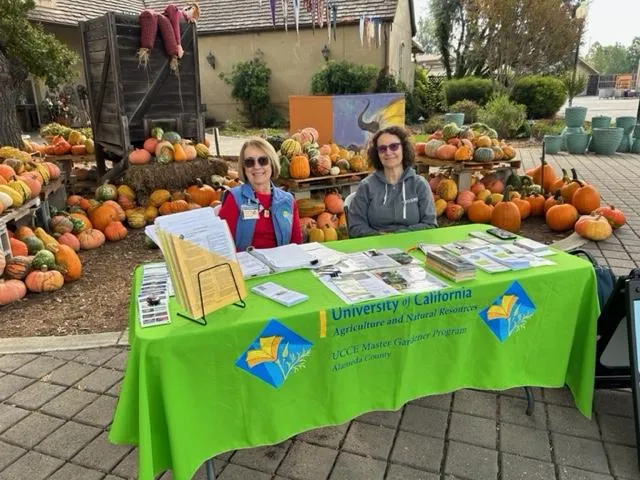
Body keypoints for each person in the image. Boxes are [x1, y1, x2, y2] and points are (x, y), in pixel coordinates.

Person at [348, 126, 437, 238]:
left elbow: (430, 224)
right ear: (377, 154)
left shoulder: (419, 184)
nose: (388, 152)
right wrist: (380, 237)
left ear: (403, 149)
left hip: (413, 244)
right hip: (376, 246)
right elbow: (355, 227)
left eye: (394, 146)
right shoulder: (366, 186)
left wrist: (397, 236)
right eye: (382, 148)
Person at [219, 137, 302, 251]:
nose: (257, 166)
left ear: (271, 163)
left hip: (282, 264)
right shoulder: (234, 198)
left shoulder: (288, 200)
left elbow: (296, 244)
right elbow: (223, 244)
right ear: (244, 168)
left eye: (263, 160)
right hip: (247, 266)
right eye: (250, 162)